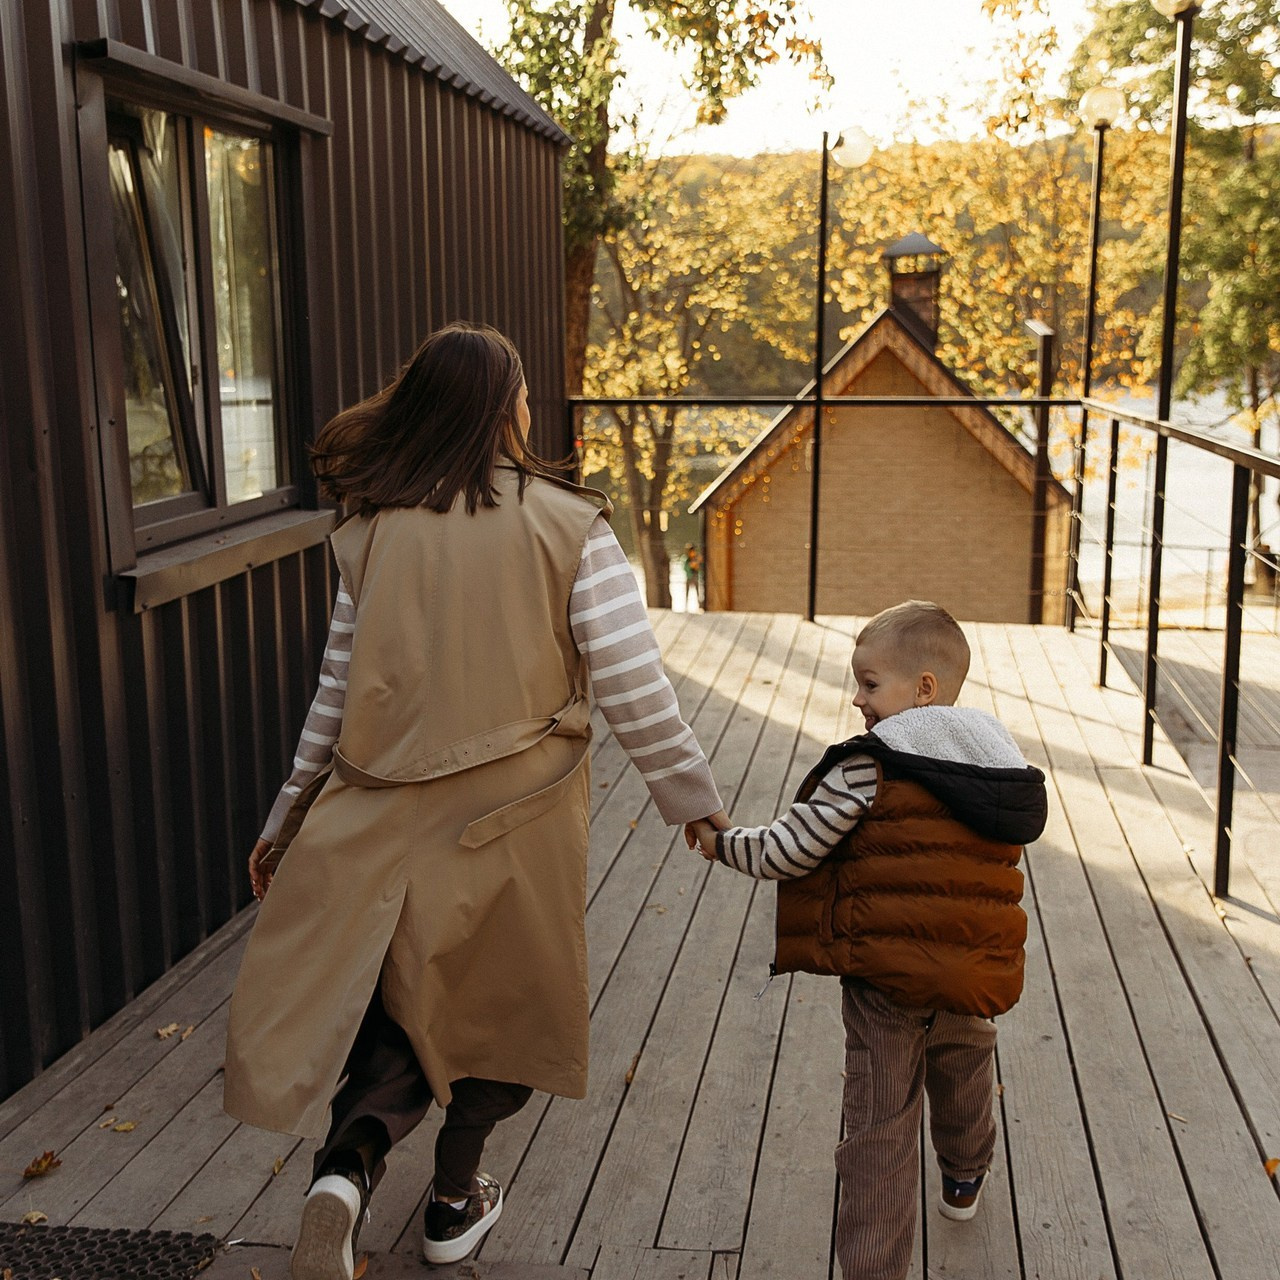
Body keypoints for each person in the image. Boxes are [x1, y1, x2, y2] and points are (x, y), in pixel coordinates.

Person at [223, 322, 728, 1280]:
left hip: (376, 810)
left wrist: (287, 817)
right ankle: (455, 1201)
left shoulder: (372, 528)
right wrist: (690, 799)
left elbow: (335, 694)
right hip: (514, 815)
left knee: (396, 1004)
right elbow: (632, 681)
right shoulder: (568, 524)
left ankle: (344, 1173)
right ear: (506, 409)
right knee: (498, 1007)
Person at [686, 601, 1047, 1280]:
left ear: (924, 690)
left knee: (879, 1126)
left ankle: (874, 1269)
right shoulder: (999, 764)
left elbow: (792, 850)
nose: (857, 699)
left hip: (884, 978)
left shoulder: (868, 768)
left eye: (870, 683)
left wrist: (721, 843)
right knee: (966, 1068)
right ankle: (965, 1178)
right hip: (972, 972)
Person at [680, 543, 702, 611]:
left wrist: (697, 564)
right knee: (687, 592)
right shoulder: (686, 559)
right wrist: (691, 566)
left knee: (697, 592)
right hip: (689, 577)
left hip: (695, 577)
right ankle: (685, 607)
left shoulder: (696, 558)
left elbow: (700, 569)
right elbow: (685, 568)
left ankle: (699, 606)